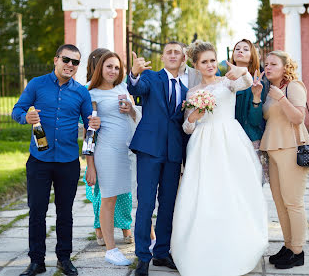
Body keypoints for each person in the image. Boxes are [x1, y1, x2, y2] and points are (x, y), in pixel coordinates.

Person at [170, 40, 268, 276]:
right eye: (204, 62)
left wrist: (240, 71)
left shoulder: (229, 82)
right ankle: (201, 248)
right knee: (204, 194)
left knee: (232, 192)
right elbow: (186, 127)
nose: (210, 65)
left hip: (230, 141)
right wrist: (193, 117)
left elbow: (246, 82)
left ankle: (237, 246)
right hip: (203, 145)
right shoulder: (192, 93)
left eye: (213, 60)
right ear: (196, 65)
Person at [12, 44, 101, 276]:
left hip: (68, 162)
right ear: (56, 60)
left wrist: (94, 125)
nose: (70, 65)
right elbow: (17, 110)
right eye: (66, 60)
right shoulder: (36, 84)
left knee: (65, 213)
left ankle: (64, 258)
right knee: (37, 211)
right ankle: (36, 261)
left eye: (75, 62)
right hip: (39, 160)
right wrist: (25, 117)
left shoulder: (81, 92)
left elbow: (89, 124)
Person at [127, 41, 189, 276]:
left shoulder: (186, 90)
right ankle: (143, 256)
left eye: (177, 53)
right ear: (163, 57)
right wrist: (133, 73)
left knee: (168, 204)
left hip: (173, 153)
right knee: (145, 204)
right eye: (169, 52)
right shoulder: (151, 78)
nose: (173, 55)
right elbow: (135, 89)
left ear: (183, 59)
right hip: (149, 149)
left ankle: (162, 252)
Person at [259, 50, 309, 269]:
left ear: (285, 67)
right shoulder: (268, 90)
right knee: (281, 204)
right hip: (273, 149)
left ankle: (298, 252)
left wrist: (281, 98)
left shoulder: (294, 86)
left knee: (293, 202)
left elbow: (299, 117)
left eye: (273, 64)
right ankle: (289, 245)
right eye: (266, 64)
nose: (268, 67)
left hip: (292, 148)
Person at [84, 51, 140, 265]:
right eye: (109, 66)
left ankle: (151, 240)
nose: (113, 71)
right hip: (106, 152)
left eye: (117, 68)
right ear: (100, 68)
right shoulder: (90, 92)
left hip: (129, 150)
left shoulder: (123, 88)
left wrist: (131, 110)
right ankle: (111, 249)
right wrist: (90, 165)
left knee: (138, 196)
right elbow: (86, 132)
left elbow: (136, 117)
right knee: (108, 198)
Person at [231, 39, 270, 184]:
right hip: (228, 140)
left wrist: (256, 96)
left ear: (252, 56)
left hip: (249, 140)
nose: (240, 51)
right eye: (237, 48)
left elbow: (254, 121)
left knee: (250, 188)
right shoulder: (224, 81)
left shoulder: (257, 81)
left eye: (245, 49)